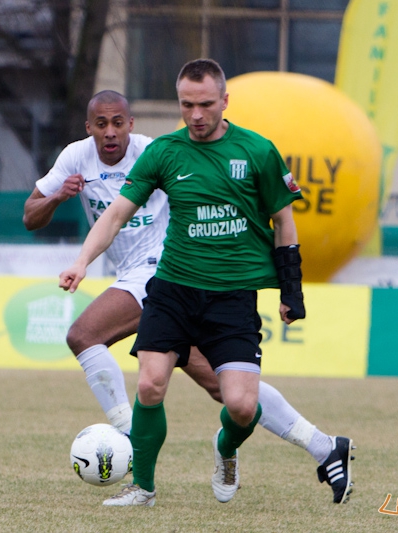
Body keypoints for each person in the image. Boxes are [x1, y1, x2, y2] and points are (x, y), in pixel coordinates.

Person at [57, 61, 354, 508]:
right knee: (150, 383)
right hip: (172, 290)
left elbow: (284, 222)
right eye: (186, 105)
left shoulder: (257, 151)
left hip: (231, 297)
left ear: (225, 101)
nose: (196, 115)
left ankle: (230, 447)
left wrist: (291, 291)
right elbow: (116, 214)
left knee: (239, 405)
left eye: (205, 105)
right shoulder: (165, 152)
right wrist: (82, 262)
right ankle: (143, 486)